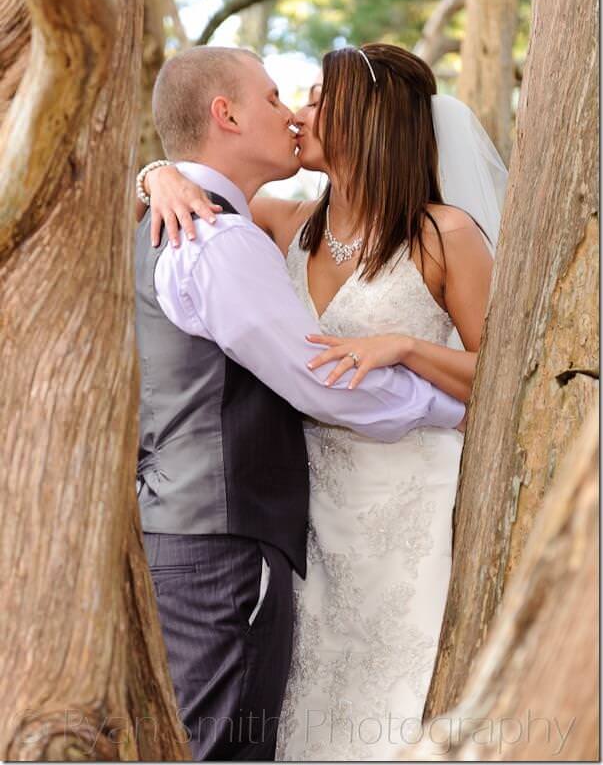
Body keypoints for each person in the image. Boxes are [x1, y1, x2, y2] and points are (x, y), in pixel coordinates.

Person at [134, 45, 466, 762]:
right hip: (301, 520)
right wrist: (155, 173)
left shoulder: (445, 234)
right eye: (285, 98)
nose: (297, 114)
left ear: (369, 118)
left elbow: (510, 372)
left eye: (315, 99)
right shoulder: (282, 224)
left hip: (401, 504)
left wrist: (408, 348)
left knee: (390, 701)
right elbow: (197, 170)